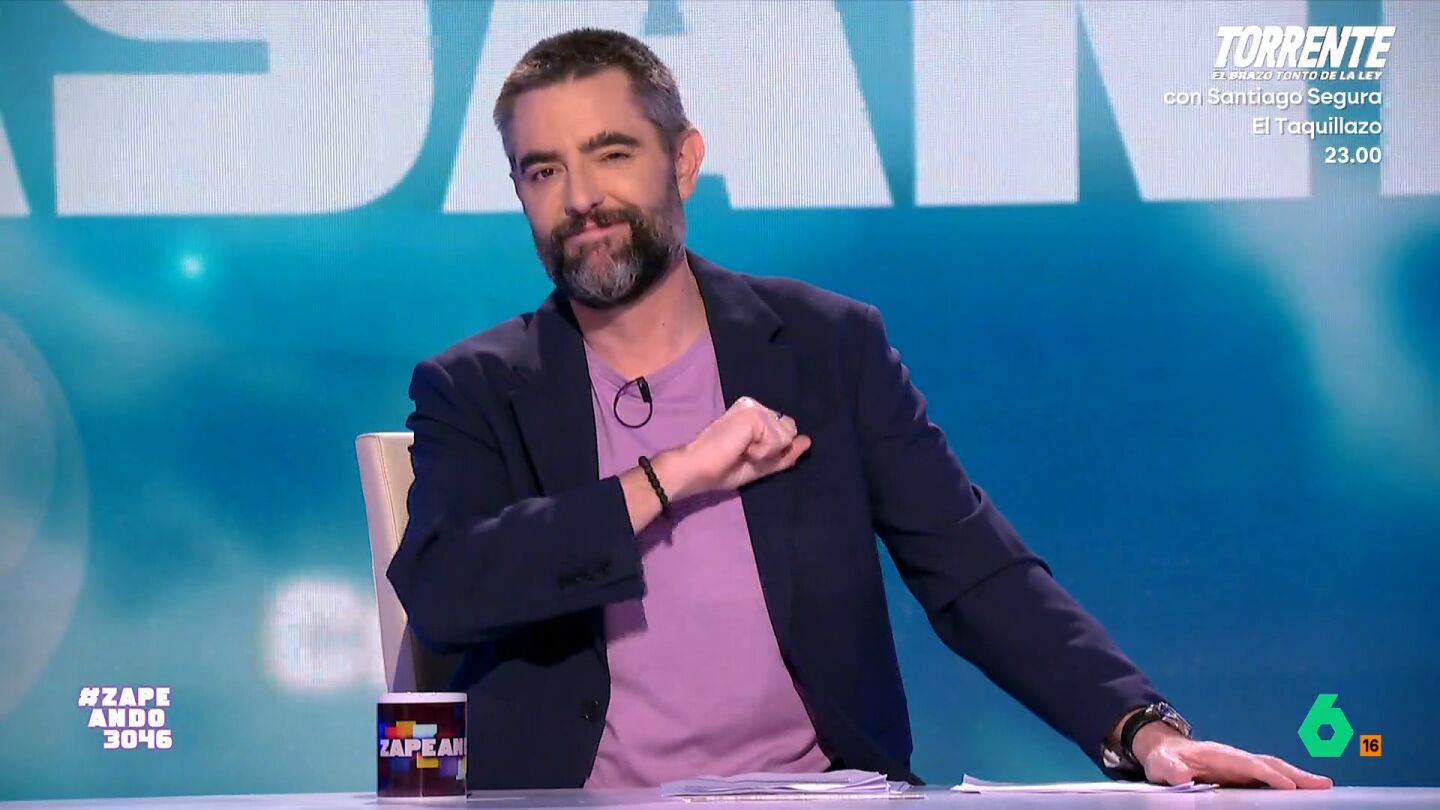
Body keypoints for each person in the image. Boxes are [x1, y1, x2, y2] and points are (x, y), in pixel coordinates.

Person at [387, 28, 1332, 793]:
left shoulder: (825, 348)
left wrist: (1142, 730)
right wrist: (670, 476)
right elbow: (442, 590)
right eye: (543, 171)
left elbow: (974, 571)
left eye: (612, 154)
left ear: (684, 161)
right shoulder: (475, 387)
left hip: (821, 795)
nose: (582, 198)